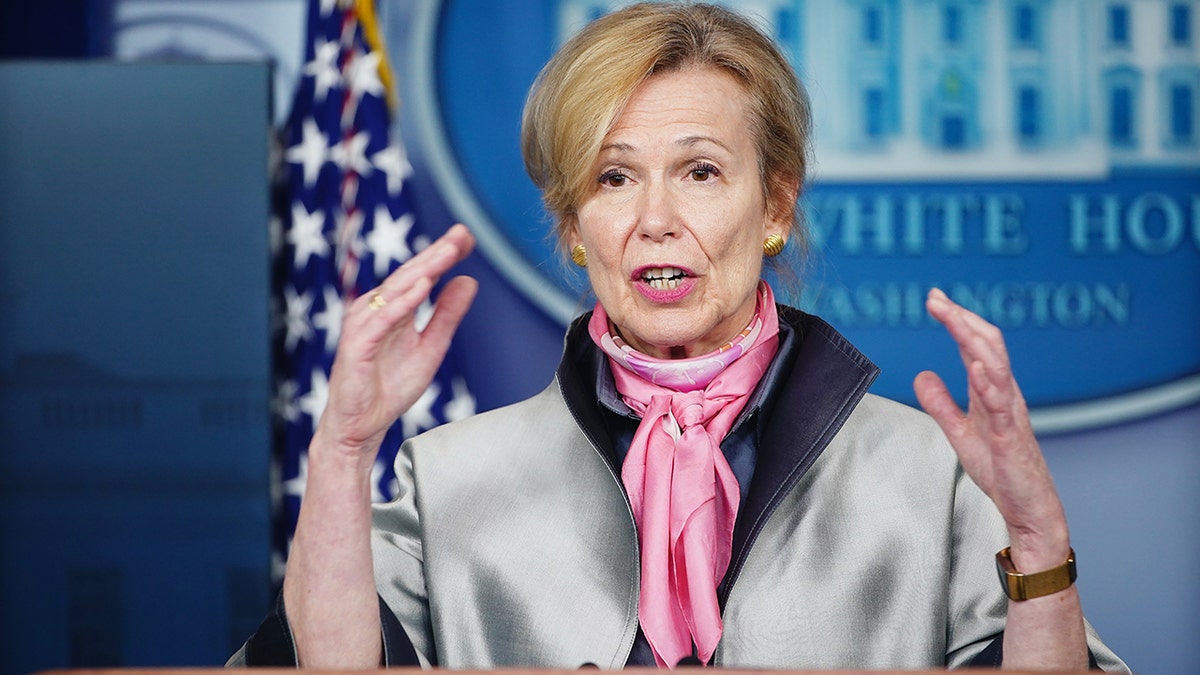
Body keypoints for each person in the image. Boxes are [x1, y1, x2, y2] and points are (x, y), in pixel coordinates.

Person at [232, 3, 1127, 671]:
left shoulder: (930, 471)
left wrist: (1041, 541)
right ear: (575, 225)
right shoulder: (448, 478)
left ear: (774, 205)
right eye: (614, 177)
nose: (655, 219)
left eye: (700, 171)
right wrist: (343, 451)